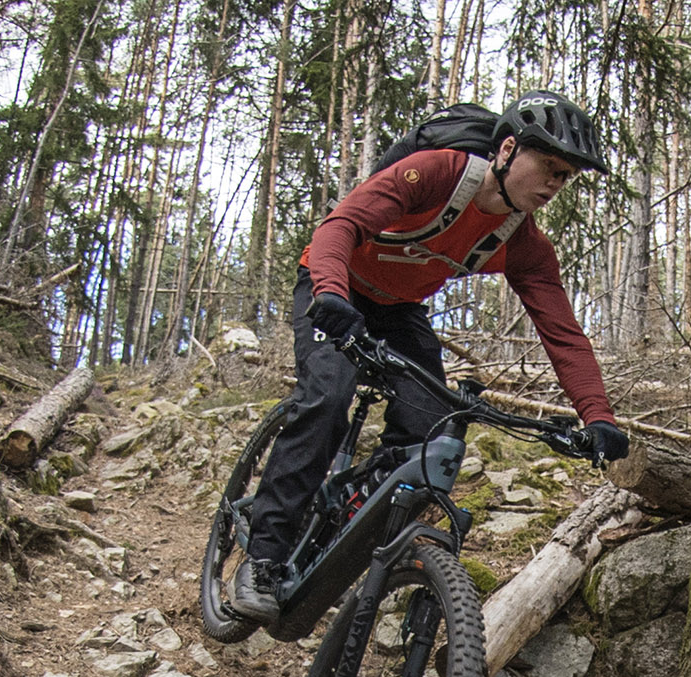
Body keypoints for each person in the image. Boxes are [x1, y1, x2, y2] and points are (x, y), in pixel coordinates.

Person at [231, 90, 631, 624]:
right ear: (507, 149)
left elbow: (563, 335)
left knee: (430, 430)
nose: (556, 184)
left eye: (567, 176)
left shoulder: (525, 244)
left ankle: (340, 523)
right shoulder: (436, 173)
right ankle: (263, 556)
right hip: (333, 284)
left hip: (398, 310)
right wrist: (329, 293)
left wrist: (598, 417)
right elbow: (339, 227)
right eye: (549, 167)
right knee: (328, 395)